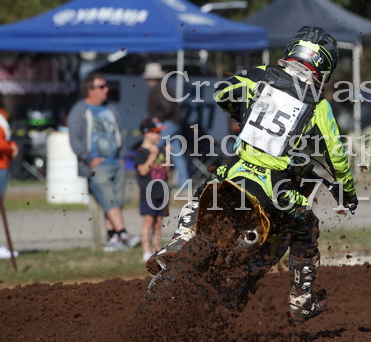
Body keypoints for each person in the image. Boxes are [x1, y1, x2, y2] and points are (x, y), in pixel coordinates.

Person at [147, 26, 358, 324]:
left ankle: (182, 239)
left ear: (292, 51)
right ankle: (300, 300)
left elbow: (223, 91)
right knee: (307, 227)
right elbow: (336, 155)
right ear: (323, 66)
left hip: (238, 172)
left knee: (208, 187)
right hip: (276, 191)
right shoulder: (319, 105)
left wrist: (241, 111)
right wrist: (347, 192)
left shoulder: (262, 75)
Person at [67, 73, 140, 252]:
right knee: (109, 199)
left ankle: (112, 238)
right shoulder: (79, 110)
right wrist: (89, 159)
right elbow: (75, 139)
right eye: (101, 86)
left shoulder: (110, 109)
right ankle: (123, 233)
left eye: (106, 86)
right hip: (96, 165)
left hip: (116, 162)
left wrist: (122, 156)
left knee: (116, 201)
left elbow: (119, 132)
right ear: (90, 90)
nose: (106, 89)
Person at [143, 63, 189, 188]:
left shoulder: (159, 89)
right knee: (177, 154)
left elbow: (167, 108)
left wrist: (156, 121)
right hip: (174, 123)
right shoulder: (163, 87)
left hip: (168, 123)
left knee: (153, 146)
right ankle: (184, 184)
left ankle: (150, 178)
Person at [134, 117, 170, 262]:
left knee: (158, 223)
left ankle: (156, 249)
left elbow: (166, 170)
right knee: (148, 221)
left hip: (161, 191)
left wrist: (167, 155)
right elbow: (142, 171)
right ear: (146, 133)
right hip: (148, 192)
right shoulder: (141, 151)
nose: (158, 135)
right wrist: (152, 155)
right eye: (156, 132)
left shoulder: (160, 149)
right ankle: (146, 251)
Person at [0, 108, 18, 198]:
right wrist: (11, 150)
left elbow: (5, 141)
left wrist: (12, 145)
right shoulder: (1, 126)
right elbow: (1, 144)